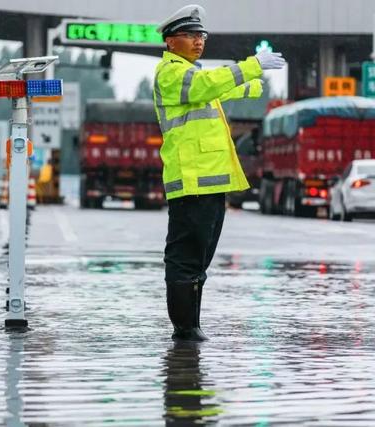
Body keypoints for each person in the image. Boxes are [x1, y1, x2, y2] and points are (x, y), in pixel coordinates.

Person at [153, 5, 285, 341]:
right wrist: (251, 65)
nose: (198, 42)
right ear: (170, 42)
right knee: (186, 260)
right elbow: (209, 83)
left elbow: (229, 87)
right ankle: (184, 329)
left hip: (208, 183)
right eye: (190, 36)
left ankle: (191, 326)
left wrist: (256, 75)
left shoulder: (195, 76)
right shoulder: (172, 74)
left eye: (201, 36)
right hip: (191, 181)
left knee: (199, 261)